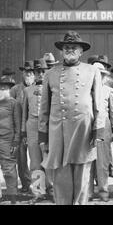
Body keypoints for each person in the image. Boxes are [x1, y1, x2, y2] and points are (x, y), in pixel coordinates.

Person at [38, 31, 105, 205]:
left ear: (81, 51)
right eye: (66, 47)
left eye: (73, 47)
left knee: (82, 175)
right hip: (58, 130)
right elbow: (44, 108)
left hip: (84, 130)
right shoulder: (50, 73)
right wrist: (42, 136)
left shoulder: (92, 71)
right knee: (60, 176)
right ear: (61, 51)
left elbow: (98, 104)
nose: (70, 50)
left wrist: (98, 131)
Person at [21, 59, 54, 203]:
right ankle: (38, 192)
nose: (40, 74)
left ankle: (52, 189)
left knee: (49, 158)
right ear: (33, 73)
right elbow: (24, 113)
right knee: (35, 161)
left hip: (48, 126)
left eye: (43, 71)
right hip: (32, 126)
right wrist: (24, 132)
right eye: (37, 72)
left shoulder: (53, 89)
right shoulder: (27, 90)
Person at [88, 62, 113, 202]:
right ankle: (87, 192)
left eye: (100, 74)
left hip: (103, 126)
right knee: (87, 160)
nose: (98, 76)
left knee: (102, 161)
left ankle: (103, 190)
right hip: (87, 126)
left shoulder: (108, 90)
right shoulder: (85, 89)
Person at [10, 61, 34, 193]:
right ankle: (25, 183)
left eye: (31, 72)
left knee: (37, 159)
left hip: (34, 128)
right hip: (19, 129)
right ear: (23, 73)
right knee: (21, 159)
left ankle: (40, 186)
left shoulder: (38, 89)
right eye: (26, 72)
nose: (28, 74)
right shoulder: (15, 90)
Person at [0, 76, 21, 204]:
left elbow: (18, 123)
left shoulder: (14, 103)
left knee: (9, 169)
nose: (3, 89)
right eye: (1, 87)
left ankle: (13, 197)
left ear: (9, 89)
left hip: (8, 141)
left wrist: (16, 141)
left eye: (5, 87)